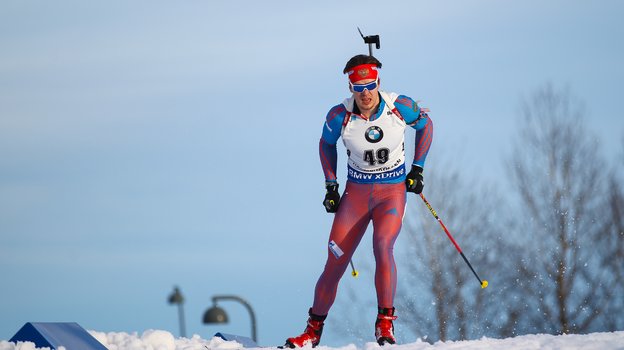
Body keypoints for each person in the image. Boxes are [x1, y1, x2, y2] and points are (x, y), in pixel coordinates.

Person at [284, 54, 433, 348]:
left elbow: (426, 126)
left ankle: (385, 324)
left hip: (391, 192)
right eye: (358, 86)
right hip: (356, 195)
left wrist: (418, 169)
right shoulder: (339, 116)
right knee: (335, 261)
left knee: (382, 246)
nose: (365, 93)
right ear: (350, 86)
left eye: (370, 85)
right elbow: (326, 144)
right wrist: (330, 186)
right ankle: (312, 331)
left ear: (378, 82)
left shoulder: (399, 106)